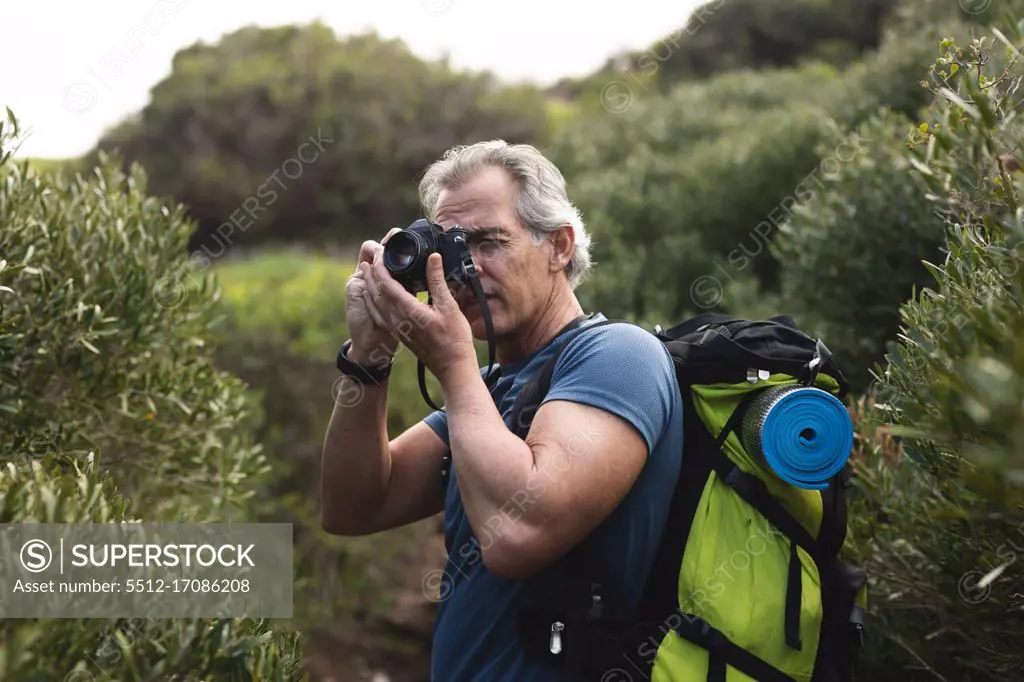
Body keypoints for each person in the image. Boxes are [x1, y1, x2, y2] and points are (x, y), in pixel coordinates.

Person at [320, 140, 684, 681]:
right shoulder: (490, 389)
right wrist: (369, 356)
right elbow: (355, 506)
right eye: (451, 245)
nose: (467, 269)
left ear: (559, 246)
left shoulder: (618, 356)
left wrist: (454, 365)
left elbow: (517, 537)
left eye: (490, 242)